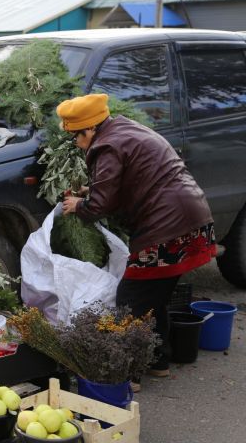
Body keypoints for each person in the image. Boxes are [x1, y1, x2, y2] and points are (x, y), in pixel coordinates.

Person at [59, 94, 215, 383]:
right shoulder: (124, 129)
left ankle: (128, 373)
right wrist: (89, 192)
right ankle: (158, 361)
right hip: (191, 217)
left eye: (76, 137)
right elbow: (123, 185)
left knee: (131, 298)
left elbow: (100, 205)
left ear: (90, 129)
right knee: (154, 298)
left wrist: (78, 205)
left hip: (167, 227)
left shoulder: (106, 146)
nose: (77, 144)